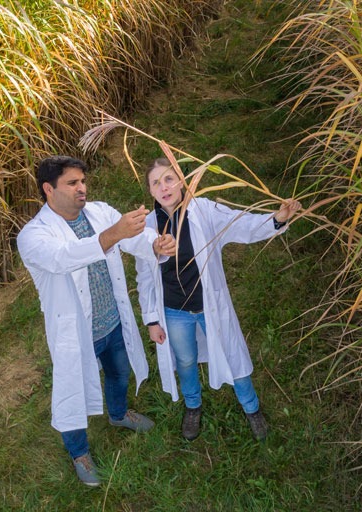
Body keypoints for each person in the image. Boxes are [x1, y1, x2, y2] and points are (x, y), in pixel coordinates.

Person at [16, 155, 177, 487]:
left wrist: (156, 244)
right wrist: (112, 235)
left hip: (112, 321)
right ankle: (79, 453)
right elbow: (62, 259)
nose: (82, 188)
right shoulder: (33, 236)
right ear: (49, 189)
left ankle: (118, 414)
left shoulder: (100, 212)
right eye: (72, 183)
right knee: (71, 394)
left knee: (119, 373)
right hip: (76, 335)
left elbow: (134, 239)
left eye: (83, 181)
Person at [136, 157, 301, 442]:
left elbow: (242, 224)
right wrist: (152, 320)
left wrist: (277, 219)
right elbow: (145, 278)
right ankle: (193, 406)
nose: (164, 187)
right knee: (185, 361)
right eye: (156, 183)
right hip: (174, 311)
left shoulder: (203, 210)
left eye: (168, 178)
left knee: (232, 353)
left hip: (209, 305)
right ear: (150, 192)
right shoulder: (148, 228)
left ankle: (251, 408)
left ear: (181, 181)